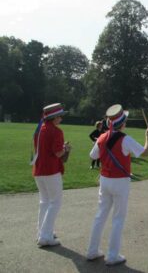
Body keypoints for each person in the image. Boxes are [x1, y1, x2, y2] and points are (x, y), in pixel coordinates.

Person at [87, 104, 148, 266]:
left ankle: (92, 251)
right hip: (120, 181)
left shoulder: (101, 137)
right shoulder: (125, 139)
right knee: (118, 218)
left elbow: (92, 155)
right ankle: (112, 255)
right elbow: (145, 152)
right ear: (122, 123)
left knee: (100, 215)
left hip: (105, 179)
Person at [31, 103, 70, 247]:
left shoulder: (39, 128)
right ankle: (45, 236)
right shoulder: (56, 131)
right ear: (54, 117)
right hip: (51, 170)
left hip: (39, 169)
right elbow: (58, 153)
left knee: (45, 202)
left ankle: (42, 231)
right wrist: (65, 148)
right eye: (60, 116)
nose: (61, 118)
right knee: (55, 202)